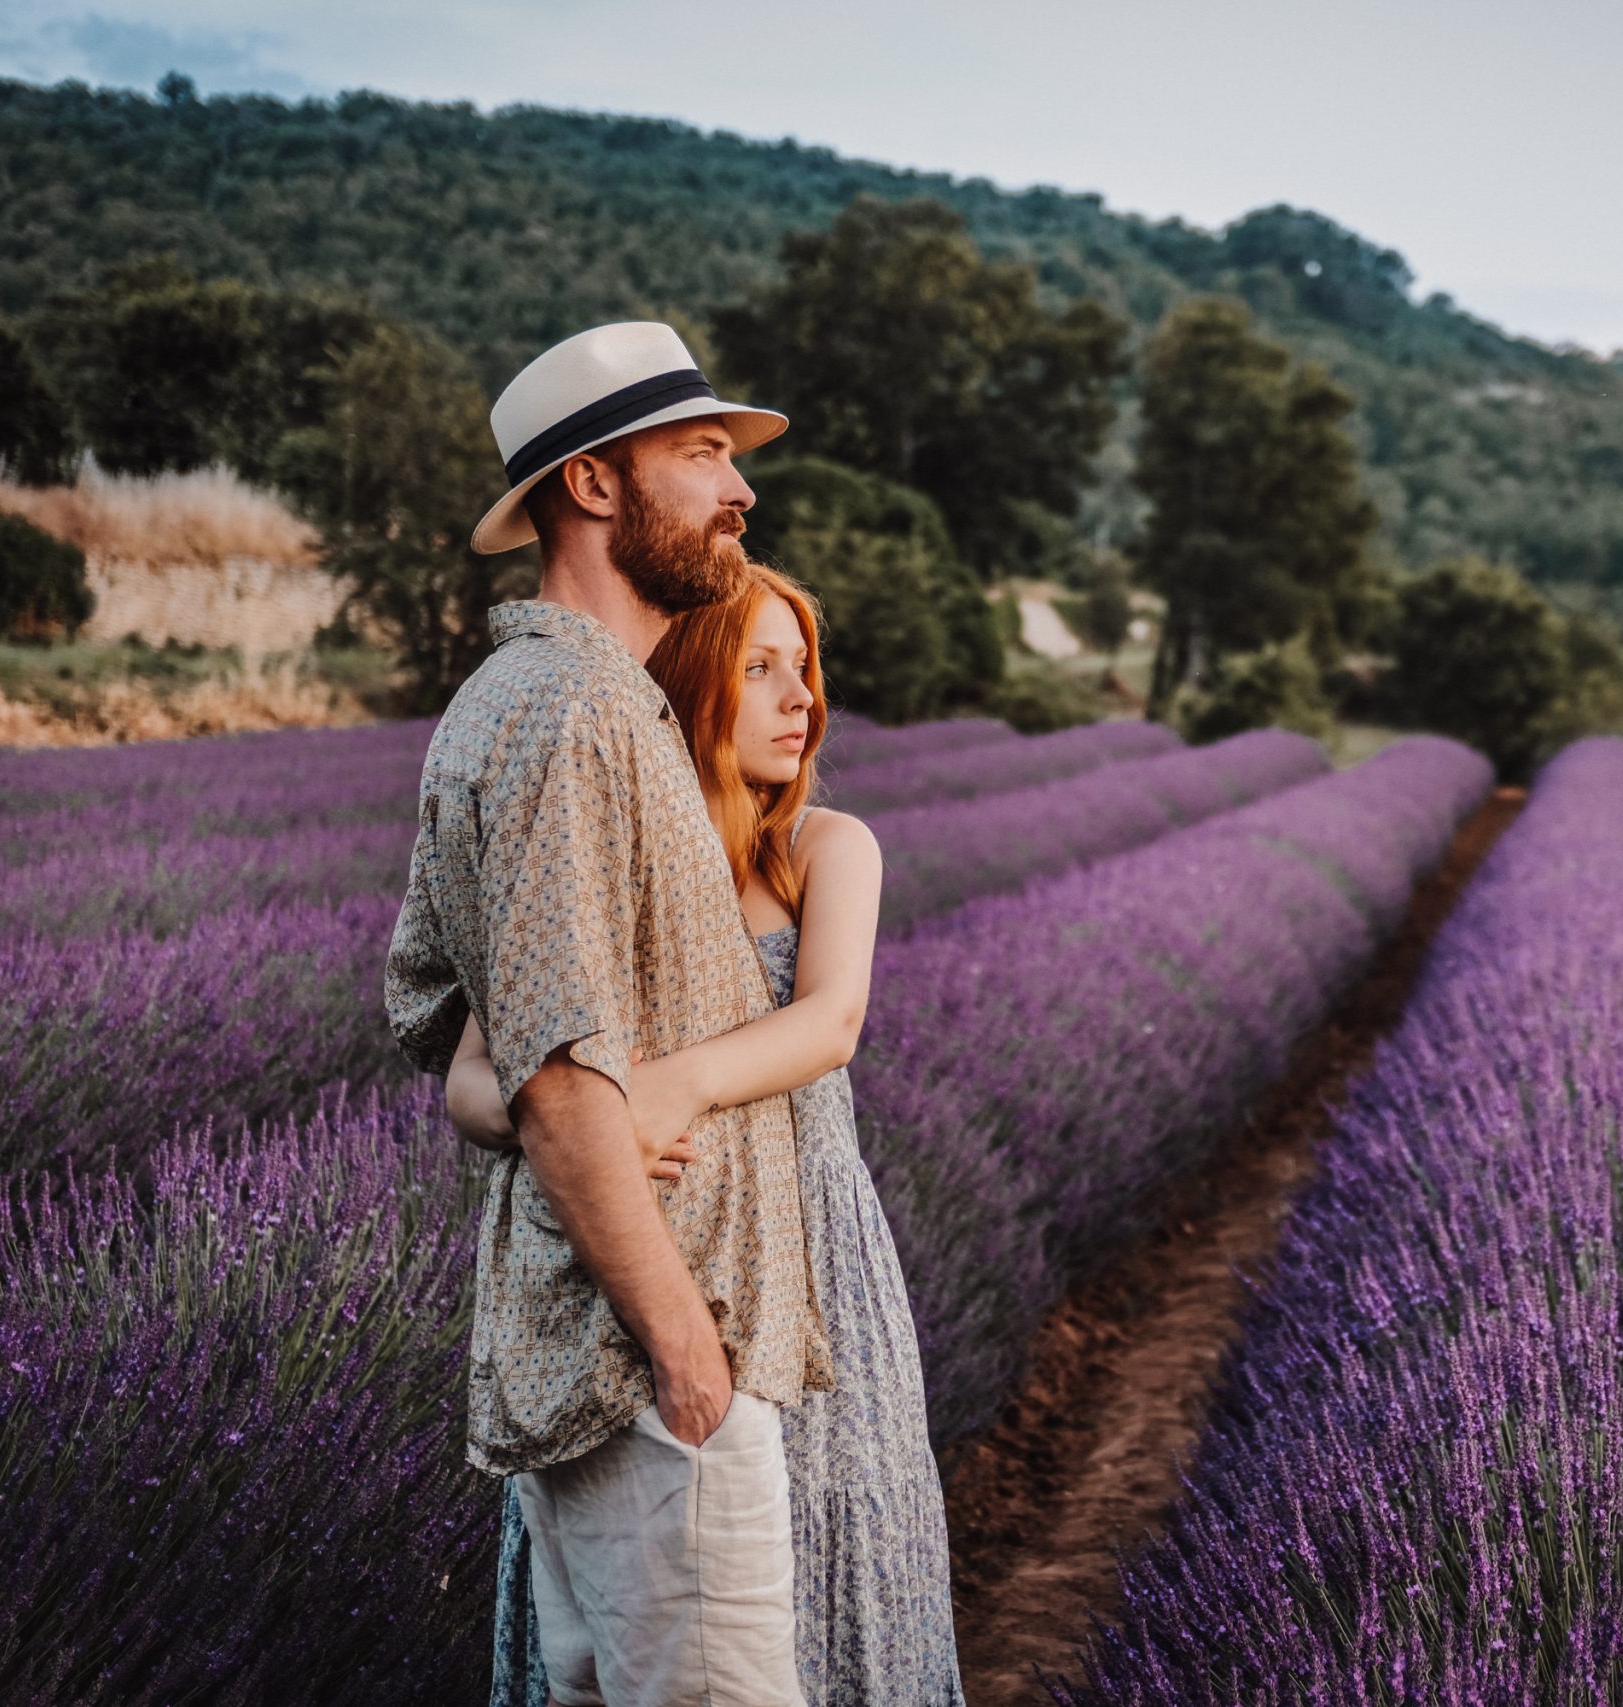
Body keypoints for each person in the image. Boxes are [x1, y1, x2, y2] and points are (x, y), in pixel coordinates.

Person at [385, 321, 828, 1707]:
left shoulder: (540, 705)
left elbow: (468, 1037)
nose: (738, 490)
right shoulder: (572, 711)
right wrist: (690, 1356)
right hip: (648, 1360)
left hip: (601, 1358)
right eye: (700, 455)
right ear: (593, 486)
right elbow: (560, 1074)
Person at [450, 566, 968, 1707]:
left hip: (812, 1263)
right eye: (759, 668)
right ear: (687, 682)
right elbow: (474, 1083)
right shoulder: (599, 854)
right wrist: (568, 1126)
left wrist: (661, 1089)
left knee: (829, 1573)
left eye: (806, 671)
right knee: (631, 1627)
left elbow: (828, 1024)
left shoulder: (829, 848)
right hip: (630, 1257)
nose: (803, 701)